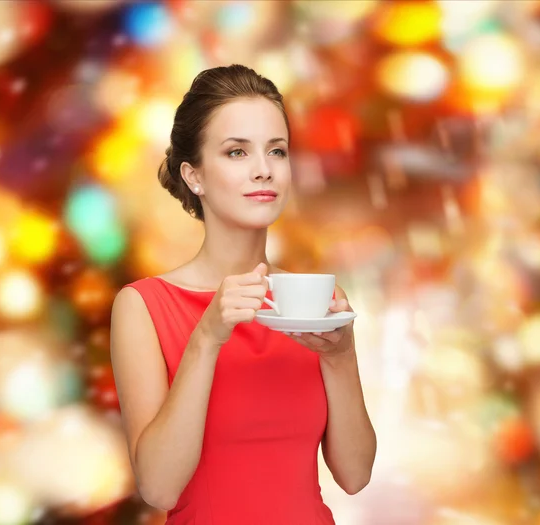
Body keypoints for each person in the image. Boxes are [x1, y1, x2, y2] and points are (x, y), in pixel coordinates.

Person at [110, 64, 376, 524]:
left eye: (277, 151)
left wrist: (341, 355)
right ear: (194, 177)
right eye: (236, 153)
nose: (263, 171)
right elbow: (158, 487)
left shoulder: (312, 306)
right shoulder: (144, 306)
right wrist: (206, 339)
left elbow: (354, 474)